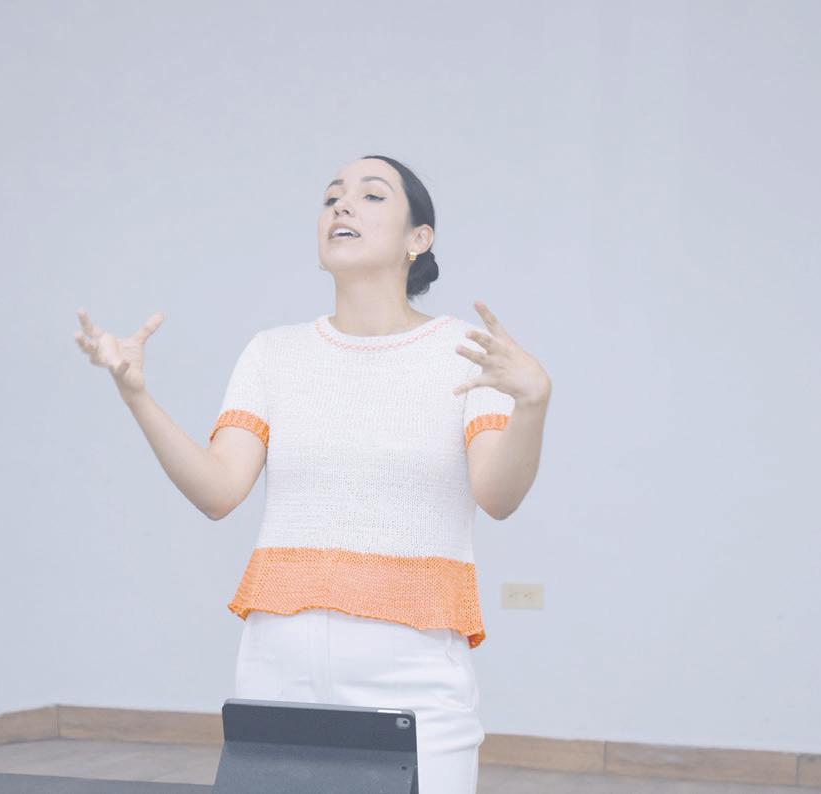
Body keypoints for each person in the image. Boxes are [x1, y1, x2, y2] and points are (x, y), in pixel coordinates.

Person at [74, 155, 552, 794]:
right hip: (279, 665)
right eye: (332, 197)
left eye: (372, 195)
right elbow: (218, 491)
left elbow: (498, 495)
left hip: (414, 672)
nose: (342, 206)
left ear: (419, 238)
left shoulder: (467, 353)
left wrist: (532, 403)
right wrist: (136, 393)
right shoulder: (273, 354)